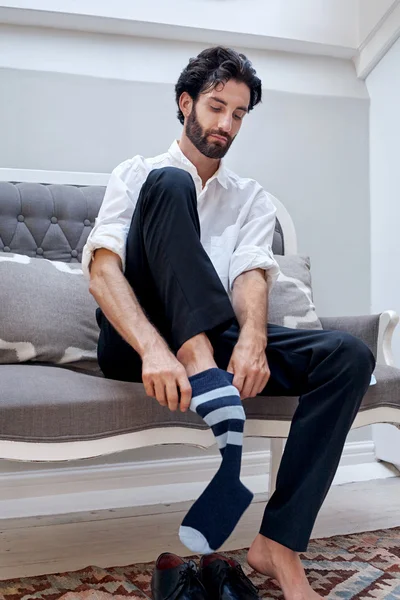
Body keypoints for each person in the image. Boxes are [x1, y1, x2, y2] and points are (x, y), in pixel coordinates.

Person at [82, 46, 375, 600]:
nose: (226, 124)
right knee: (171, 184)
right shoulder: (138, 174)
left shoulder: (250, 198)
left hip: (215, 342)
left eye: (239, 114)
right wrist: (154, 348)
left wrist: (254, 341)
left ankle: (277, 545)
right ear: (185, 103)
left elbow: (249, 276)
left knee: (349, 358)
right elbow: (102, 272)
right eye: (217, 107)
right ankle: (201, 367)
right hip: (140, 342)